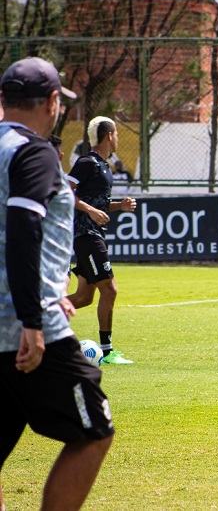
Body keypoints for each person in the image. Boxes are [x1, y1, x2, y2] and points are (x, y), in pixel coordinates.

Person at [0, 56, 113, 511]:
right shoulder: (34, 150)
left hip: (25, 312)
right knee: (94, 431)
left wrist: (48, 287)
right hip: (25, 329)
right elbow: (22, 229)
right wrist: (33, 314)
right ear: (51, 102)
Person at [66, 116, 137, 364]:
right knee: (110, 289)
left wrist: (120, 206)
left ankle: (40, 318)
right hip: (86, 235)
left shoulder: (104, 166)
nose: (117, 138)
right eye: (116, 134)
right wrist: (90, 211)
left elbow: (99, 204)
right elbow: (65, 192)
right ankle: (106, 352)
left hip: (94, 234)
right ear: (109, 135)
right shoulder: (87, 162)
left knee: (84, 297)